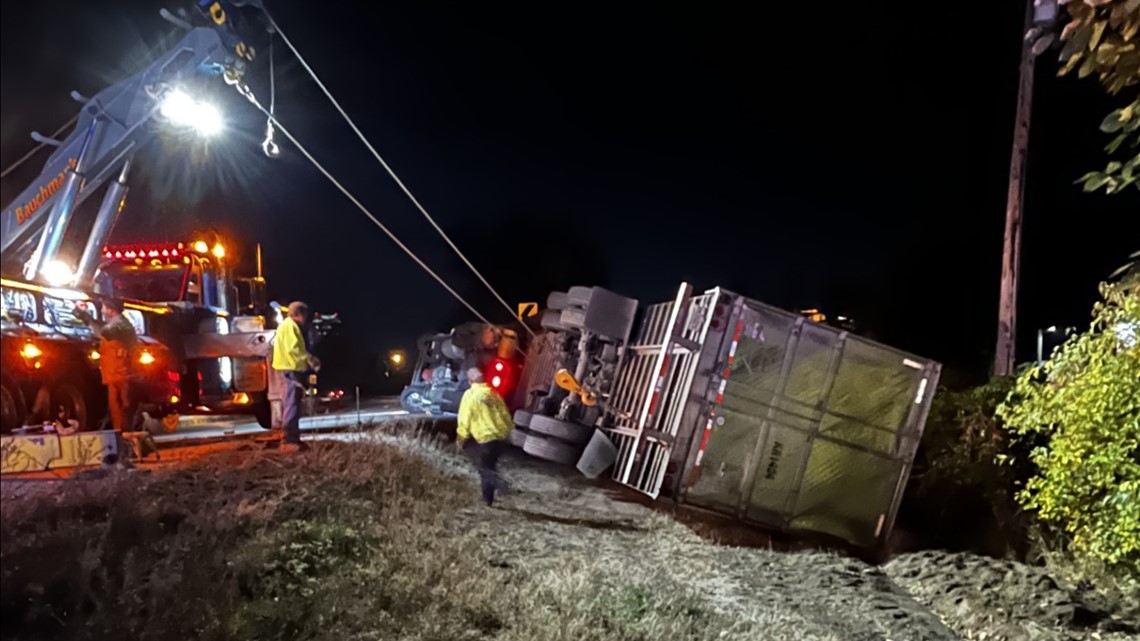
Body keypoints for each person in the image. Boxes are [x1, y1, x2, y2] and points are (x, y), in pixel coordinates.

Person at [75, 298, 139, 431]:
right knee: (116, 408)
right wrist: (81, 312)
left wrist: (84, 313)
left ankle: (125, 435)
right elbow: (99, 327)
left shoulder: (121, 325)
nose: (101, 310)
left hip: (122, 375)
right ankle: (121, 434)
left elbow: (101, 331)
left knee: (123, 406)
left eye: (103, 307)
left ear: (111, 310)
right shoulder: (116, 325)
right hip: (115, 375)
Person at [456, 367, 514, 506]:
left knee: (485, 468)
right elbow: (505, 415)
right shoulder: (494, 394)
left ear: (470, 381)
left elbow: (465, 418)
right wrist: (508, 431)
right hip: (500, 438)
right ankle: (490, 494)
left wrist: (461, 437)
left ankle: (489, 496)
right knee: (490, 465)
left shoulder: (470, 395)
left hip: (485, 438)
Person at [272, 300, 319, 451]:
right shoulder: (290, 327)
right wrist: (310, 359)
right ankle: (288, 441)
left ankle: (293, 439)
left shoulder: (287, 326)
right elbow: (294, 349)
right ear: (299, 314)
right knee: (291, 404)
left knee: (293, 404)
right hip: (289, 369)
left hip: (289, 369)